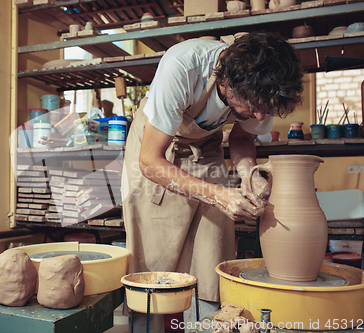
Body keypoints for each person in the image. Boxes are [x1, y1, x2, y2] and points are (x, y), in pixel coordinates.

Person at [121, 31, 304, 332]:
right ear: (225, 82)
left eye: (265, 109)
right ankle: (148, 326)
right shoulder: (182, 66)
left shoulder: (261, 93)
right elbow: (150, 162)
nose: (260, 115)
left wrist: (248, 172)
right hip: (157, 149)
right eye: (254, 106)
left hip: (206, 148)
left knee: (213, 251)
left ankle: (205, 325)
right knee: (156, 254)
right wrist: (217, 194)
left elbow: (243, 136)